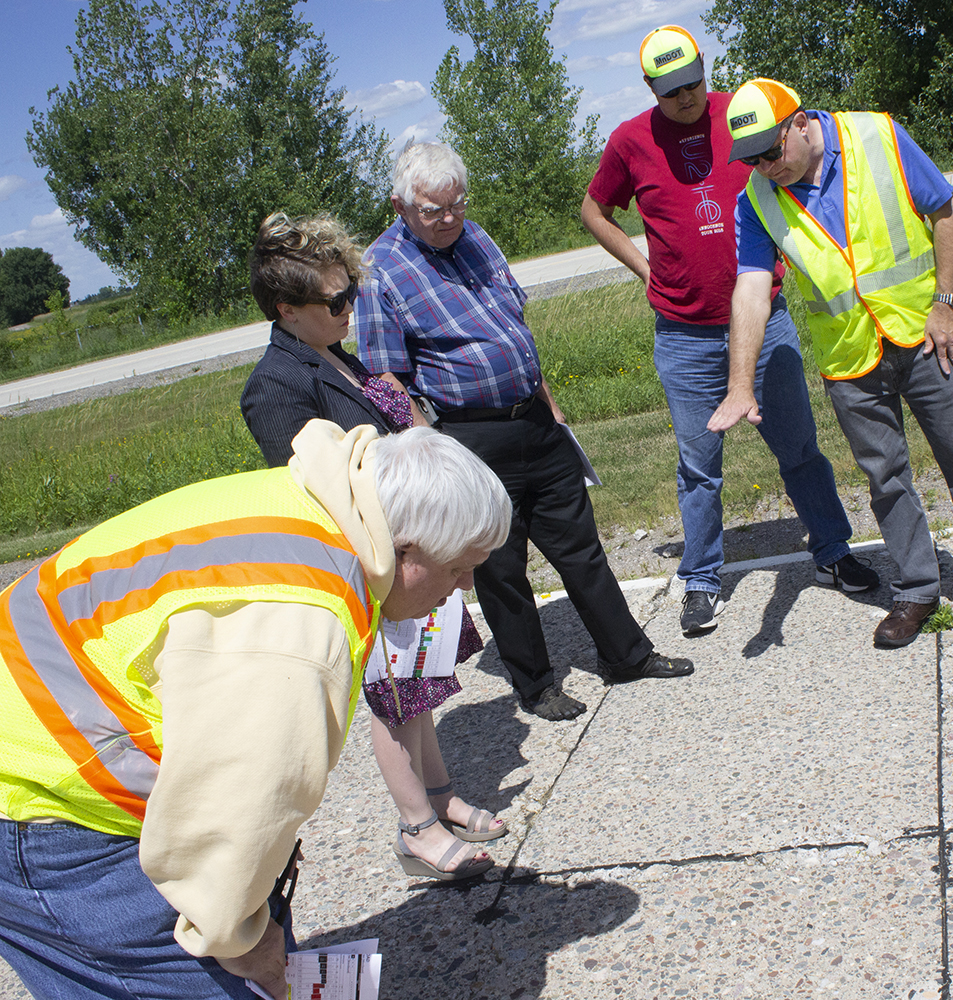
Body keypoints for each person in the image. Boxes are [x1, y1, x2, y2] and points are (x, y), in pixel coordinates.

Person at [0, 420, 511, 999]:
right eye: (458, 568)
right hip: (46, 804)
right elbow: (231, 807)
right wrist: (244, 940)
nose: (465, 586)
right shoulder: (301, 625)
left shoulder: (320, 502)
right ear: (406, 548)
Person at [353, 141, 693, 722]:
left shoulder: (477, 237)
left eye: (456, 204)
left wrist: (551, 407)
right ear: (400, 205)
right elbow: (385, 374)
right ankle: (535, 685)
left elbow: (514, 326)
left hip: (534, 420)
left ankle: (626, 654)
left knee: (581, 548)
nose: (448, 219)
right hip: (467, 436)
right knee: (500, 569)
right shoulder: (379, 270)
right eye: (433, 211)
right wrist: (430, 449)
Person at [709, 78, 953, 647]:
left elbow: (944, 208)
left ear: (800, 122)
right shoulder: (755, 201)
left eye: (771, 151)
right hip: (850, 358)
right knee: (885, 478)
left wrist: (946, 304)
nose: (765, 167)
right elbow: (750, 289)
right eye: (751, 159)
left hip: (926, 335)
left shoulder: (879, 135)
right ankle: (916, 590)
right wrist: (739, 384)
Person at [581, 25, 878, 637]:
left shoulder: (741, 117)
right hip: (683, 335)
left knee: (799, 448)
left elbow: (795, 166)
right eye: (670, 92)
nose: (686, 97)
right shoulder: (630, 141)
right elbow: (594, 210)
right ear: (650, 89)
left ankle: (832, 552)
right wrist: (644, 267)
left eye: (693, 83)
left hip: (764, 321)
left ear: (704, 70)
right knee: (699, 466)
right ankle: (702, 579)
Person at [240, 211, 505, 882]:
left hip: (416, 551)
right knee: (391, 702)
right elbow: (316, 491)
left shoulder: (334, 353)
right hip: (375, 565)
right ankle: (415, 827)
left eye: (351, 290)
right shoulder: (274, 386)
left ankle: (439, 795)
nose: (349, 308)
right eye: (335, 300)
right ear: (285, 310)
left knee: (421, 690)